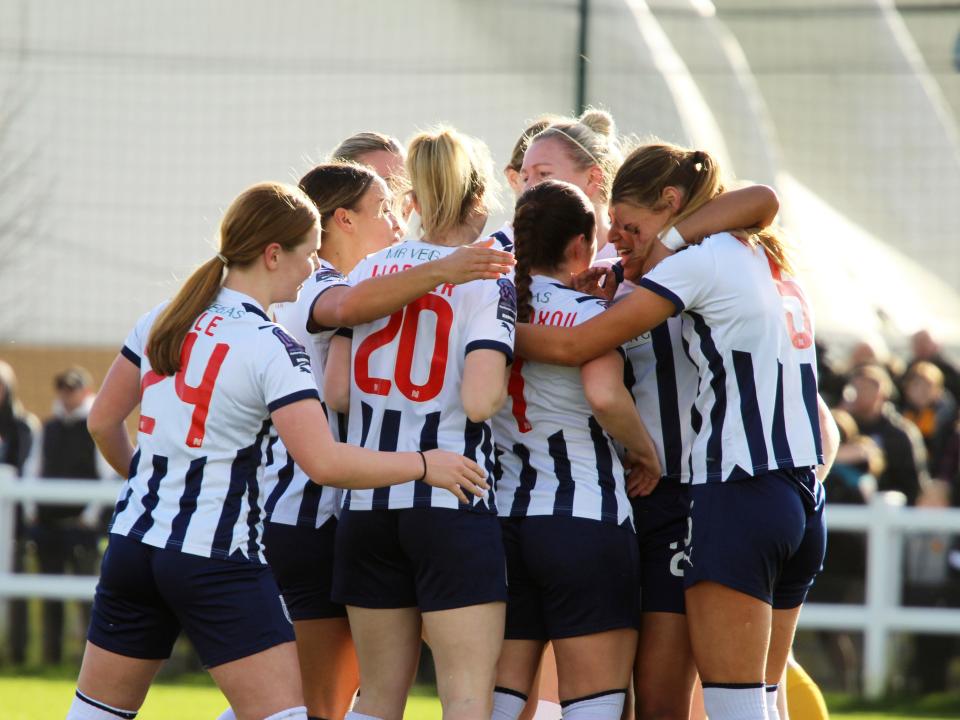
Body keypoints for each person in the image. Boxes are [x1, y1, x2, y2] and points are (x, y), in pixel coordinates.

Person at [68, 181, 488, 720]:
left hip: (132, 546)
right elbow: (326, 463)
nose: (315, 265)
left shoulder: (160, 319)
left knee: (96, 714)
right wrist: (426, 465)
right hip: (215, 558)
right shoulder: (272, 346)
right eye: (309, 251)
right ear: (272, 255)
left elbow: (103, 422)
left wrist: (154, 484)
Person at [515, 143, 832, 720]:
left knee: (714, 704)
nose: (617, 240)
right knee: (754, 699)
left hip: (721, 488)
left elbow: (576, 347)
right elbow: (761, 200)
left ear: (670, 204)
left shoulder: (697, 259)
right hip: (781, 493)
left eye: (629, 225)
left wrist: (473, 336)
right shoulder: (755, 254)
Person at [258, 162, 512, 720]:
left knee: (365, 700)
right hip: (427, 493)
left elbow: (341, 391)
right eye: (382, 209)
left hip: (360, 504)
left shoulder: (366, 274)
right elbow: (478, 400)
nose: (395, 221)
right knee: (461, 696)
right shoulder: (481, 274)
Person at [490, 180, 659, 720]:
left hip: (502, 521)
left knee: (498, 703)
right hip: (585, 517)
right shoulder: (589, 312)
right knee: (593, 708)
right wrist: (645, 452)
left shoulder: (489, 312)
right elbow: (605, 394)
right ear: (581, 246)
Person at [28, 367, 115, 665]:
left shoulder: (94, 427)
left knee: (88, 598)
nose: (68, 395)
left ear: (85, 391)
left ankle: (87, 661)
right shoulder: (49, 428)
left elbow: (107, 475)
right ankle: (51, 659)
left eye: (73, 389)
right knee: (51, 598)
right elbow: (34, 470)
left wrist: (90, 516)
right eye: (63, 389)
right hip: (50, 523)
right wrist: (32, 510)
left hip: (82, 527)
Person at [519, 109, 628, 260]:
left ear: (592, 179)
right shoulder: (504, 263)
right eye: (525, 178)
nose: (527, 189)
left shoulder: (639, 264)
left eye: (543, 174)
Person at [0, 359, 40, 665]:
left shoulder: (23, 425)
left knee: (18, 588)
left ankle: (17, 652)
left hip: (13, 524)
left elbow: (27, 468)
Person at [843, 363, 929, 505]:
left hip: (890, 509)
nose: (859, 394)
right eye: (856, 388)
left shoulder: (900, 433)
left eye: (866, 388)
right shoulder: (845, 427)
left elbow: (913, 483)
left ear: (883, 392)